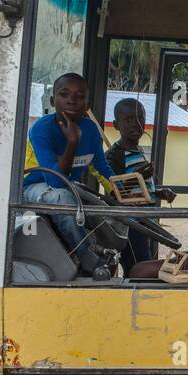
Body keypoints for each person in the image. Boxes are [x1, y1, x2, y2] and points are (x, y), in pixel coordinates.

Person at [22, 73, 117, 266]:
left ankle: (113, 255)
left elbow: (100, 168)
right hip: (33, 188)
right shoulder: (42, 129)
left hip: (69, 187)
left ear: (87, 103)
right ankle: (86, 256)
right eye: (64, 94)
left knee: (106, 209)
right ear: (52, 100)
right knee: (62, 199)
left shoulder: (90, 130)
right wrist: (73, 141)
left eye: (80, 96)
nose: (71, 101)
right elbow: (55, 181)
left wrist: (121, 192)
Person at [105, 97, 176, 272]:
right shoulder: (115, 155)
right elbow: (113, 195)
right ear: (116, 125)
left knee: (147, 268)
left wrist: (159, 192)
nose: (136, 124)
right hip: (130, 225)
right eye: (128, 120)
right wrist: (138, 176)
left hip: (147, 222)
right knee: (139, 271)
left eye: (140, 118)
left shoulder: (138, 151)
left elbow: (141, 188)